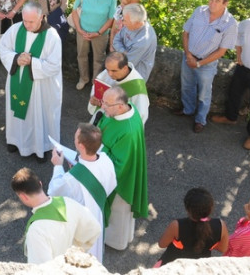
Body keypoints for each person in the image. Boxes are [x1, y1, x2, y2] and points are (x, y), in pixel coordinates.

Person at [0, 2, 61, 163]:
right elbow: (3, 48)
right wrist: (16, 58)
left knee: (37, 115)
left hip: (39, 87)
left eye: (31, 21)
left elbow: (54, 66)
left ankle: (40, 148)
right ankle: (15, 140)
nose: (26, 25)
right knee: (17, 114)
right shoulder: (15, 29)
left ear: (41, 17)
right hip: (17, 81)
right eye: (25, 20)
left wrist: (32, 62)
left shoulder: (51, 36)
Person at [48, 123, 117, 263]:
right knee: (93, 251)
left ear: (81, 146)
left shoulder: (71, 178)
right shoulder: (105, 159)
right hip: (97, 213)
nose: (74, 140)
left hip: (80, 222)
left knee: (79, 255)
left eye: (75, 138)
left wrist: (57, 166)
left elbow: (54, 190)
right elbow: (111, 184)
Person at [210, 6, 250, 150]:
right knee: (234, 93)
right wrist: (238, 54)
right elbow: (237, 36)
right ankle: (230, 117)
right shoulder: (248, 23)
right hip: (243, 67)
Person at [176, 0, 237, 133]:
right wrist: (188, 54)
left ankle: (200, 120)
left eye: (217, 1)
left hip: (207, 64)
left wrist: (198, 64)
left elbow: (222, 51)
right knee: (186, 86)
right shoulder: (199, 11)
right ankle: (188, 110)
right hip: (189, 57)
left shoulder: (230, 23)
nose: (212, 4)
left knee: (204, 93)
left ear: (225, 3)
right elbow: (186, 33)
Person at [11, 167, 100, 265]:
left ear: (23, 196)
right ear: (40, 184)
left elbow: (41, 269)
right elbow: (95, 228)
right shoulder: (67, 202)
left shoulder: (36, 231)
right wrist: (78, 251)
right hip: (71, 264)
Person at [97, 86, 148, 250]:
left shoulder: (129, 130)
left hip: (123, 177)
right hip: (118, 166)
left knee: (118, 211)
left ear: (120, 106)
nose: (102, 107)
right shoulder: (121, 111)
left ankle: (116, 242)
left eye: (107, 104)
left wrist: (95, 150)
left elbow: (119, 162)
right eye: (103, 102)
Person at [156, 187, 229, 266]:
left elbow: (162, 244)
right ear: (211, 208)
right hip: (199, 267)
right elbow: (223, 248)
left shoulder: (176, 226)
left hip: (173, 264)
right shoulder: (221, 225)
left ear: (187, 209)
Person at [72, 0, 117, 90]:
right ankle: (83, 78)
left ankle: (96, 83)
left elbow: (111, 18)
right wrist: (79, 29)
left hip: (101, 33)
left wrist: (98, 32)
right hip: (83, 30)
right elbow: (74, 10)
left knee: (99, 59)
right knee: (81, 56)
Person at [88, 51, 149, 125]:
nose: (109, 74)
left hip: (120, 125)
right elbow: (96, 89)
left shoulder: (137, 88)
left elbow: (140, 116)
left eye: (114, 71)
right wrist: (93, 100)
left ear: (125, 68)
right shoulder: (109, 70)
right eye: (107, 69)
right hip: (101, 118)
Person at [112, 3, 157, 81]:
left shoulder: (143, 41)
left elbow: (128, 63)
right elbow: (116, 40)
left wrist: (120, 51)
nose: (123, 23)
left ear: (137, 23)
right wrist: (124, 51)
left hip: (135, 76)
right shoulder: (130, 24)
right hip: (123, 67)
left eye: (125, 21)